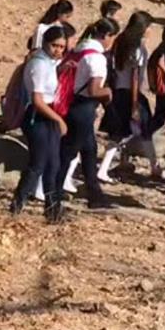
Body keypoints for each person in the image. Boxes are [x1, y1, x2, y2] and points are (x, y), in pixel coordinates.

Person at [56, 18, 118, 209]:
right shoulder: (97, 57)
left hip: (70, 102)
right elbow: (94, 90)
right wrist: (108, 92)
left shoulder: (79, 50)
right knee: (68, 152)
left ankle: (95, 193)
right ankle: (54, 193)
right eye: (112, 37)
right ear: (106, 36)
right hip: (83, 107)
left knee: (89, 150)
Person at [10, 26, 69, 221]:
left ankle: (52, 210)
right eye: (55, 46)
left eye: (62, 47)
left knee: (53, 164)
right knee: (38, 163)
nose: (58, 50)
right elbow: (37, 99)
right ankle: (17, 206)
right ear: (45, 43)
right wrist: (58, 119)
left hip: (48, 113)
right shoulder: (39, 64)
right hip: (38, 115)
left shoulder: (50, 63)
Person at [98, 11, 153, 183]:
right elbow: (135, 77)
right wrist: (135, 104)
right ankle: (153, 165)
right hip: (130, 94)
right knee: (138, 130)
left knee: (121, 131)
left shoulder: (120, 41)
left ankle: (124, 161)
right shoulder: (137, 48)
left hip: (118, 90)